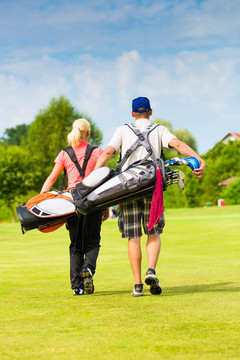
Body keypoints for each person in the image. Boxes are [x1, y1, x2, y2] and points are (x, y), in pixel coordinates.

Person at [94, 97, 205, 297]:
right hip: (153, 188)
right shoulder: (159, 130)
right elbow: (178, 145)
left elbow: (107, 152)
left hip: (126, 188)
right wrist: (198, 159)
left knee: (132, 237)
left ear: (132, 113)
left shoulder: (122, 130)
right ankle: (151, 271)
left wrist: (93, 180)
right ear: (150, 112)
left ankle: (137, 286)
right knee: (153, 232)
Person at [41, 118, 108, 296]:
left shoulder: (64, 153)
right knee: (92, 242)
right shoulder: (98, 151)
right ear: (88, 133)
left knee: (76, 245)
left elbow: (51, 179)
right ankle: (88, 268)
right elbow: (104, 181)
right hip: (93, 202)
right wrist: (106, 206)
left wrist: (41, 200)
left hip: (70, 204)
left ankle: (77, 286)